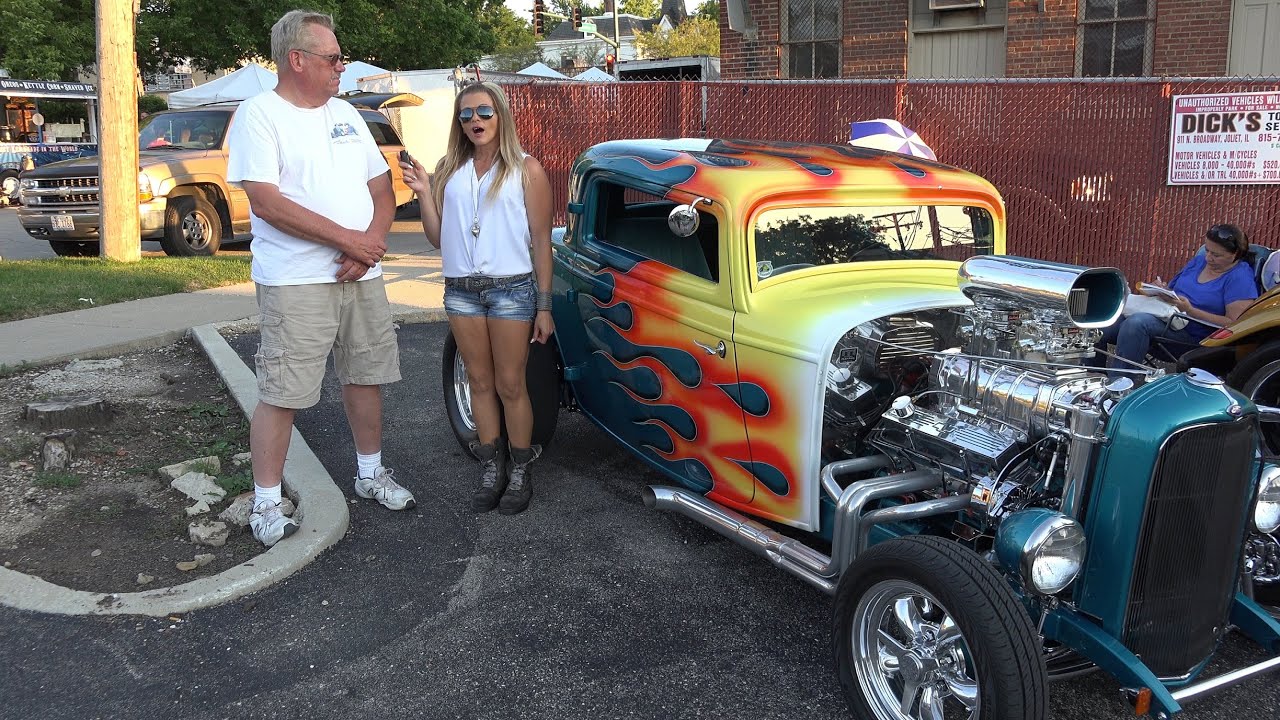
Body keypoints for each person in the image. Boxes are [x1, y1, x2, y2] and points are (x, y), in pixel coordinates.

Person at [227, 9, 415, 547]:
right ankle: (265, 503)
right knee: (283, 390)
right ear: (297, 59)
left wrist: (369, 245)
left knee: (365, 375)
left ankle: (370, 472)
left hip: (361, 271)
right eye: (334, 58)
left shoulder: (347, 115)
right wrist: (348, 242)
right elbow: (266, 203)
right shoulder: (260, 115)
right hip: (296, 280)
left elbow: (382, 189)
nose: (342, 67)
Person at [399, 81, 554, 516]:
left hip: (511, 290)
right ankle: (492, 465)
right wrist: (425, 192)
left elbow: (542, 242)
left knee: (510, 384)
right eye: (466, 115)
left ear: (500, 115)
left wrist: (544, 306)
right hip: (462, 292)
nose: (475, 122)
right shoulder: (450, 169)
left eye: (483, 112)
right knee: (479, 383)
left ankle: (521, 468)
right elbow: (436, 238)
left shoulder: (526, 169)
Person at [1095, 223, 1259, 373]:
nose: (1209, 257)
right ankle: (1090, 381)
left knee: (1136, 324)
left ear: (1235, 254)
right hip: (1167, 318)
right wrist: (1161, 290)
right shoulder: (1199, 262)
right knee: (1099, 321)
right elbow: (1174, 290)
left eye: (1216, 255)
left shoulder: (1240, 278)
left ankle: (1118, 388)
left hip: (1196, 338)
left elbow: (1235, 324)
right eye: (1207, 250)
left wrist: (1189, 310)